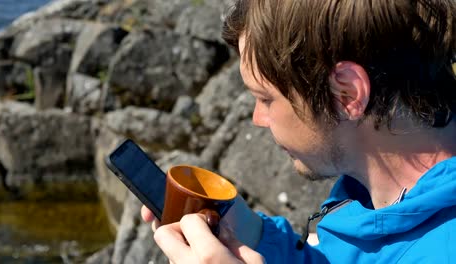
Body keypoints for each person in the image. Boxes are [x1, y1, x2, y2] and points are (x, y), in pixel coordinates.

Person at [141, 0, 456, 263]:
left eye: (266, 99)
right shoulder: (368, 194)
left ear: (347, 94)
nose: (257, 118)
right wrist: (250, 234)